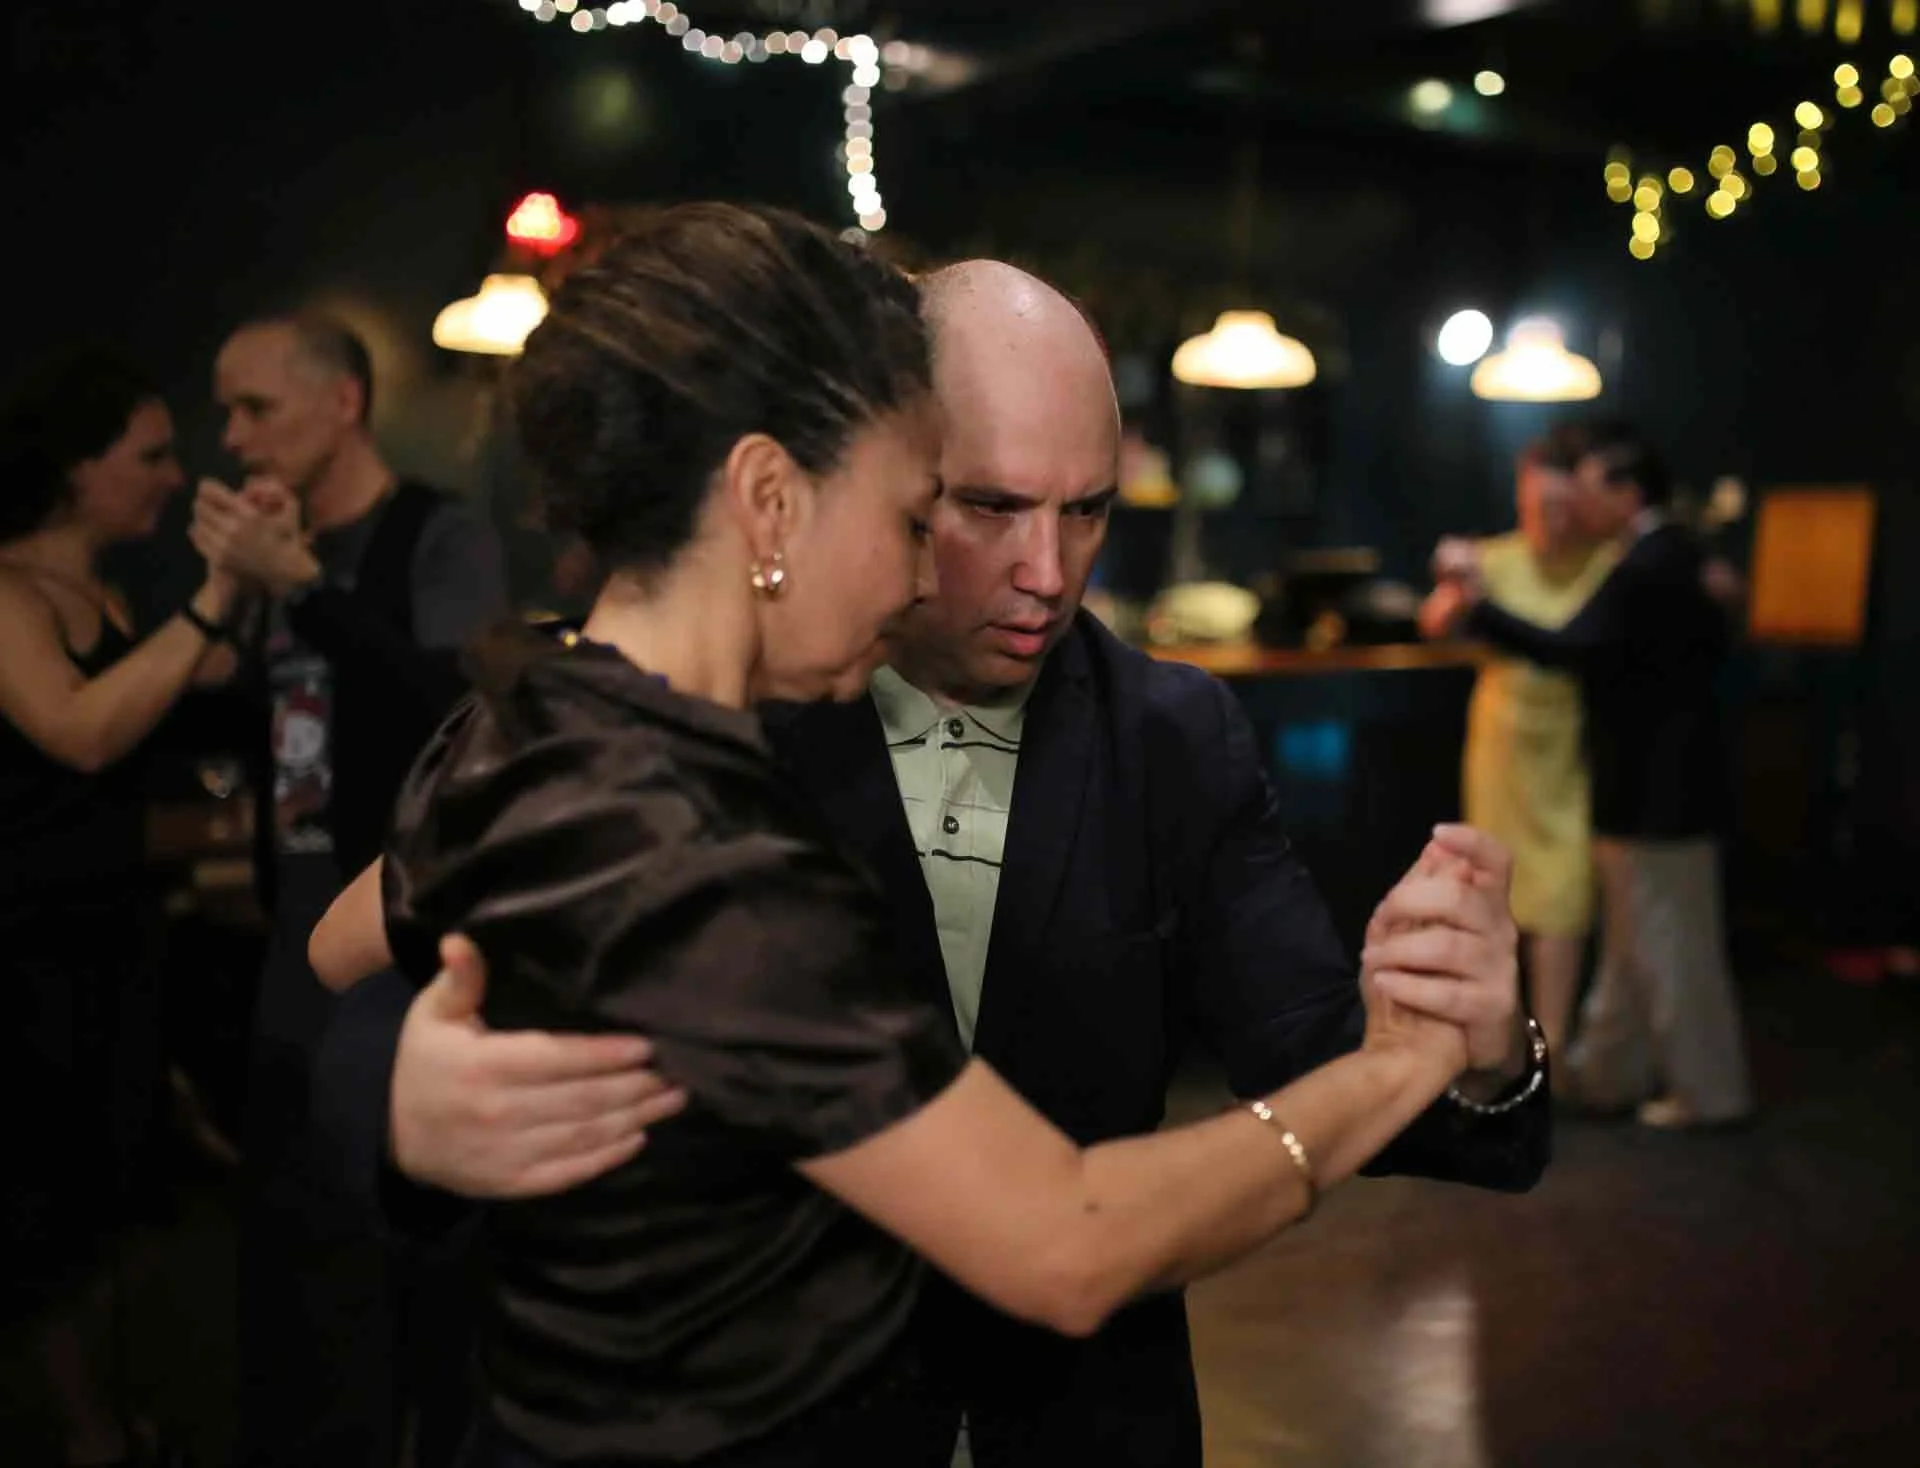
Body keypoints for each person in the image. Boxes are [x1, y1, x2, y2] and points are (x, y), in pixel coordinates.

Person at [312, 253, 1549, 1468]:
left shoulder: (1170, 732)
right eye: (971, 511)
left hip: (1071, 1422)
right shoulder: (678, 734)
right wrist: (403, 1104)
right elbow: (346, 967)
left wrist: (1470, 1048)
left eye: (1089, 511)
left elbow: (1309, 1051)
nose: (1048, 575)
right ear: (802, 492)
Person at [190, 312, 509, 1467]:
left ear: (344, 403)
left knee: (408, 1274)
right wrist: (231, 591)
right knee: (294, 1256)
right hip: (292, 934)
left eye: (255, 408)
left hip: (408, 945)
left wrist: (308, 584)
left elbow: (464, 716)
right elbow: (250, 715)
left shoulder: (443, 535)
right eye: (225, 410)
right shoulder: (281, 561)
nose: (232, 438)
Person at [0, 346, 238, 1467]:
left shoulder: (104, 589)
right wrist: (213, 600)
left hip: (117, 944)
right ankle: (92, 1439)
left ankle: (120, 1418)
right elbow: (81, 731)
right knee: (50, 1215)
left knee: (115, 1199)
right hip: (30, 961)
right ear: (75, 467)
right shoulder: (3, 592)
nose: (171, 473)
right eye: (148, 455)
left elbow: (184, 706)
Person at [1429, 418, 1753, 1130]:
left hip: (1653, 790)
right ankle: (1605, 1075)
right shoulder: (1675, 557)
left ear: (1626, 492)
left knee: (1668, 949)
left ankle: (1708, 1092)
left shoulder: (1646, 565)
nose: (1575, 507)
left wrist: (1482, 610)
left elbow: (1571, 648)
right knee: (1639, 944)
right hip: (1649, 785)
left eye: (1586, 492)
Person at [1420, 430, 1619, 1060]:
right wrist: (1453, 579)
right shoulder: (1496, 558)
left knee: (1561, 895)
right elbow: (1434, 623)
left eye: (1562, 508)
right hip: (1503, 742)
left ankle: (1551, 1045)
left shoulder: (1605, 563)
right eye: (1539, 506)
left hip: (1573, 743)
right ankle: (1499, 1042)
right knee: (1499, 889)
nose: (1550, 521)